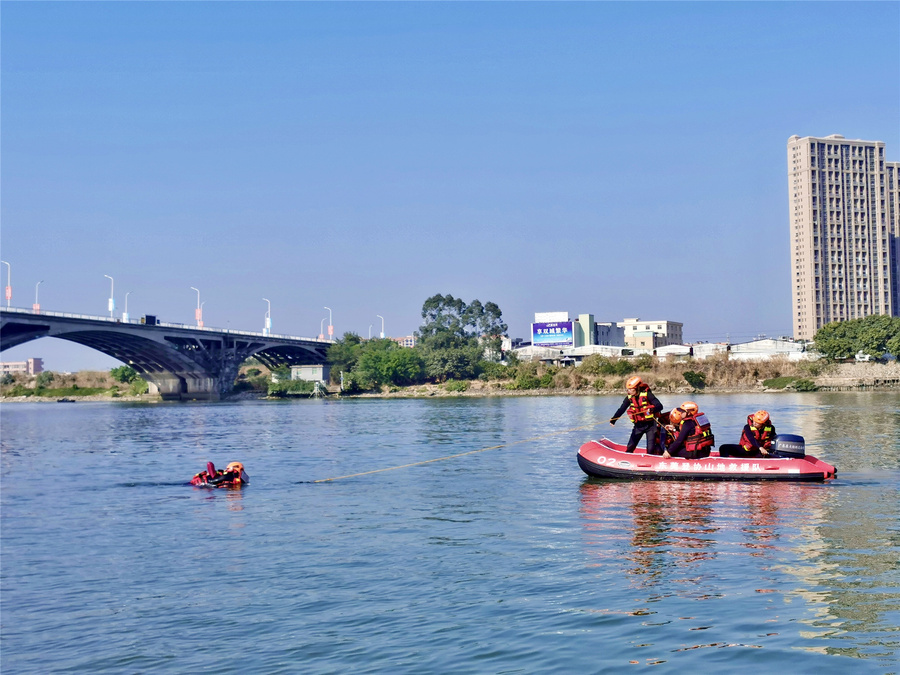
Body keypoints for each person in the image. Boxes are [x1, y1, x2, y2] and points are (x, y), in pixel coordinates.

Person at [610, 376, 664, 454]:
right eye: (627, 389)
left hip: (650, 426)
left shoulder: (648, 394)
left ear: (637, 388)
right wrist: (613, 420)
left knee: (650, 449)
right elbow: (622, 409)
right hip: (638, 426)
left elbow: (660, 406)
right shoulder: (629, 398)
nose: (628, 391)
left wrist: (652, 410)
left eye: (630, 389)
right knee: (630, 446)